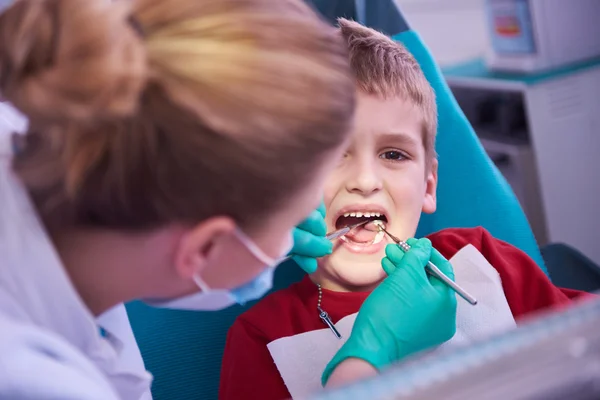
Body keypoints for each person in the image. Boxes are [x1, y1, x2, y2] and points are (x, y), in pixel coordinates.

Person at [0, 1, 457, 399]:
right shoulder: (32, 382)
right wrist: (366, 366)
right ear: (203, 248)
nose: (362, 181)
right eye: (290, 221)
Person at [219, 19, 591, 400]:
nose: (365, 180)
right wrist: (372, 355)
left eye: (393, 154)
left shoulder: (481, 258)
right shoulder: (261, 339)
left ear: (428, 186)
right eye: (329, 154)